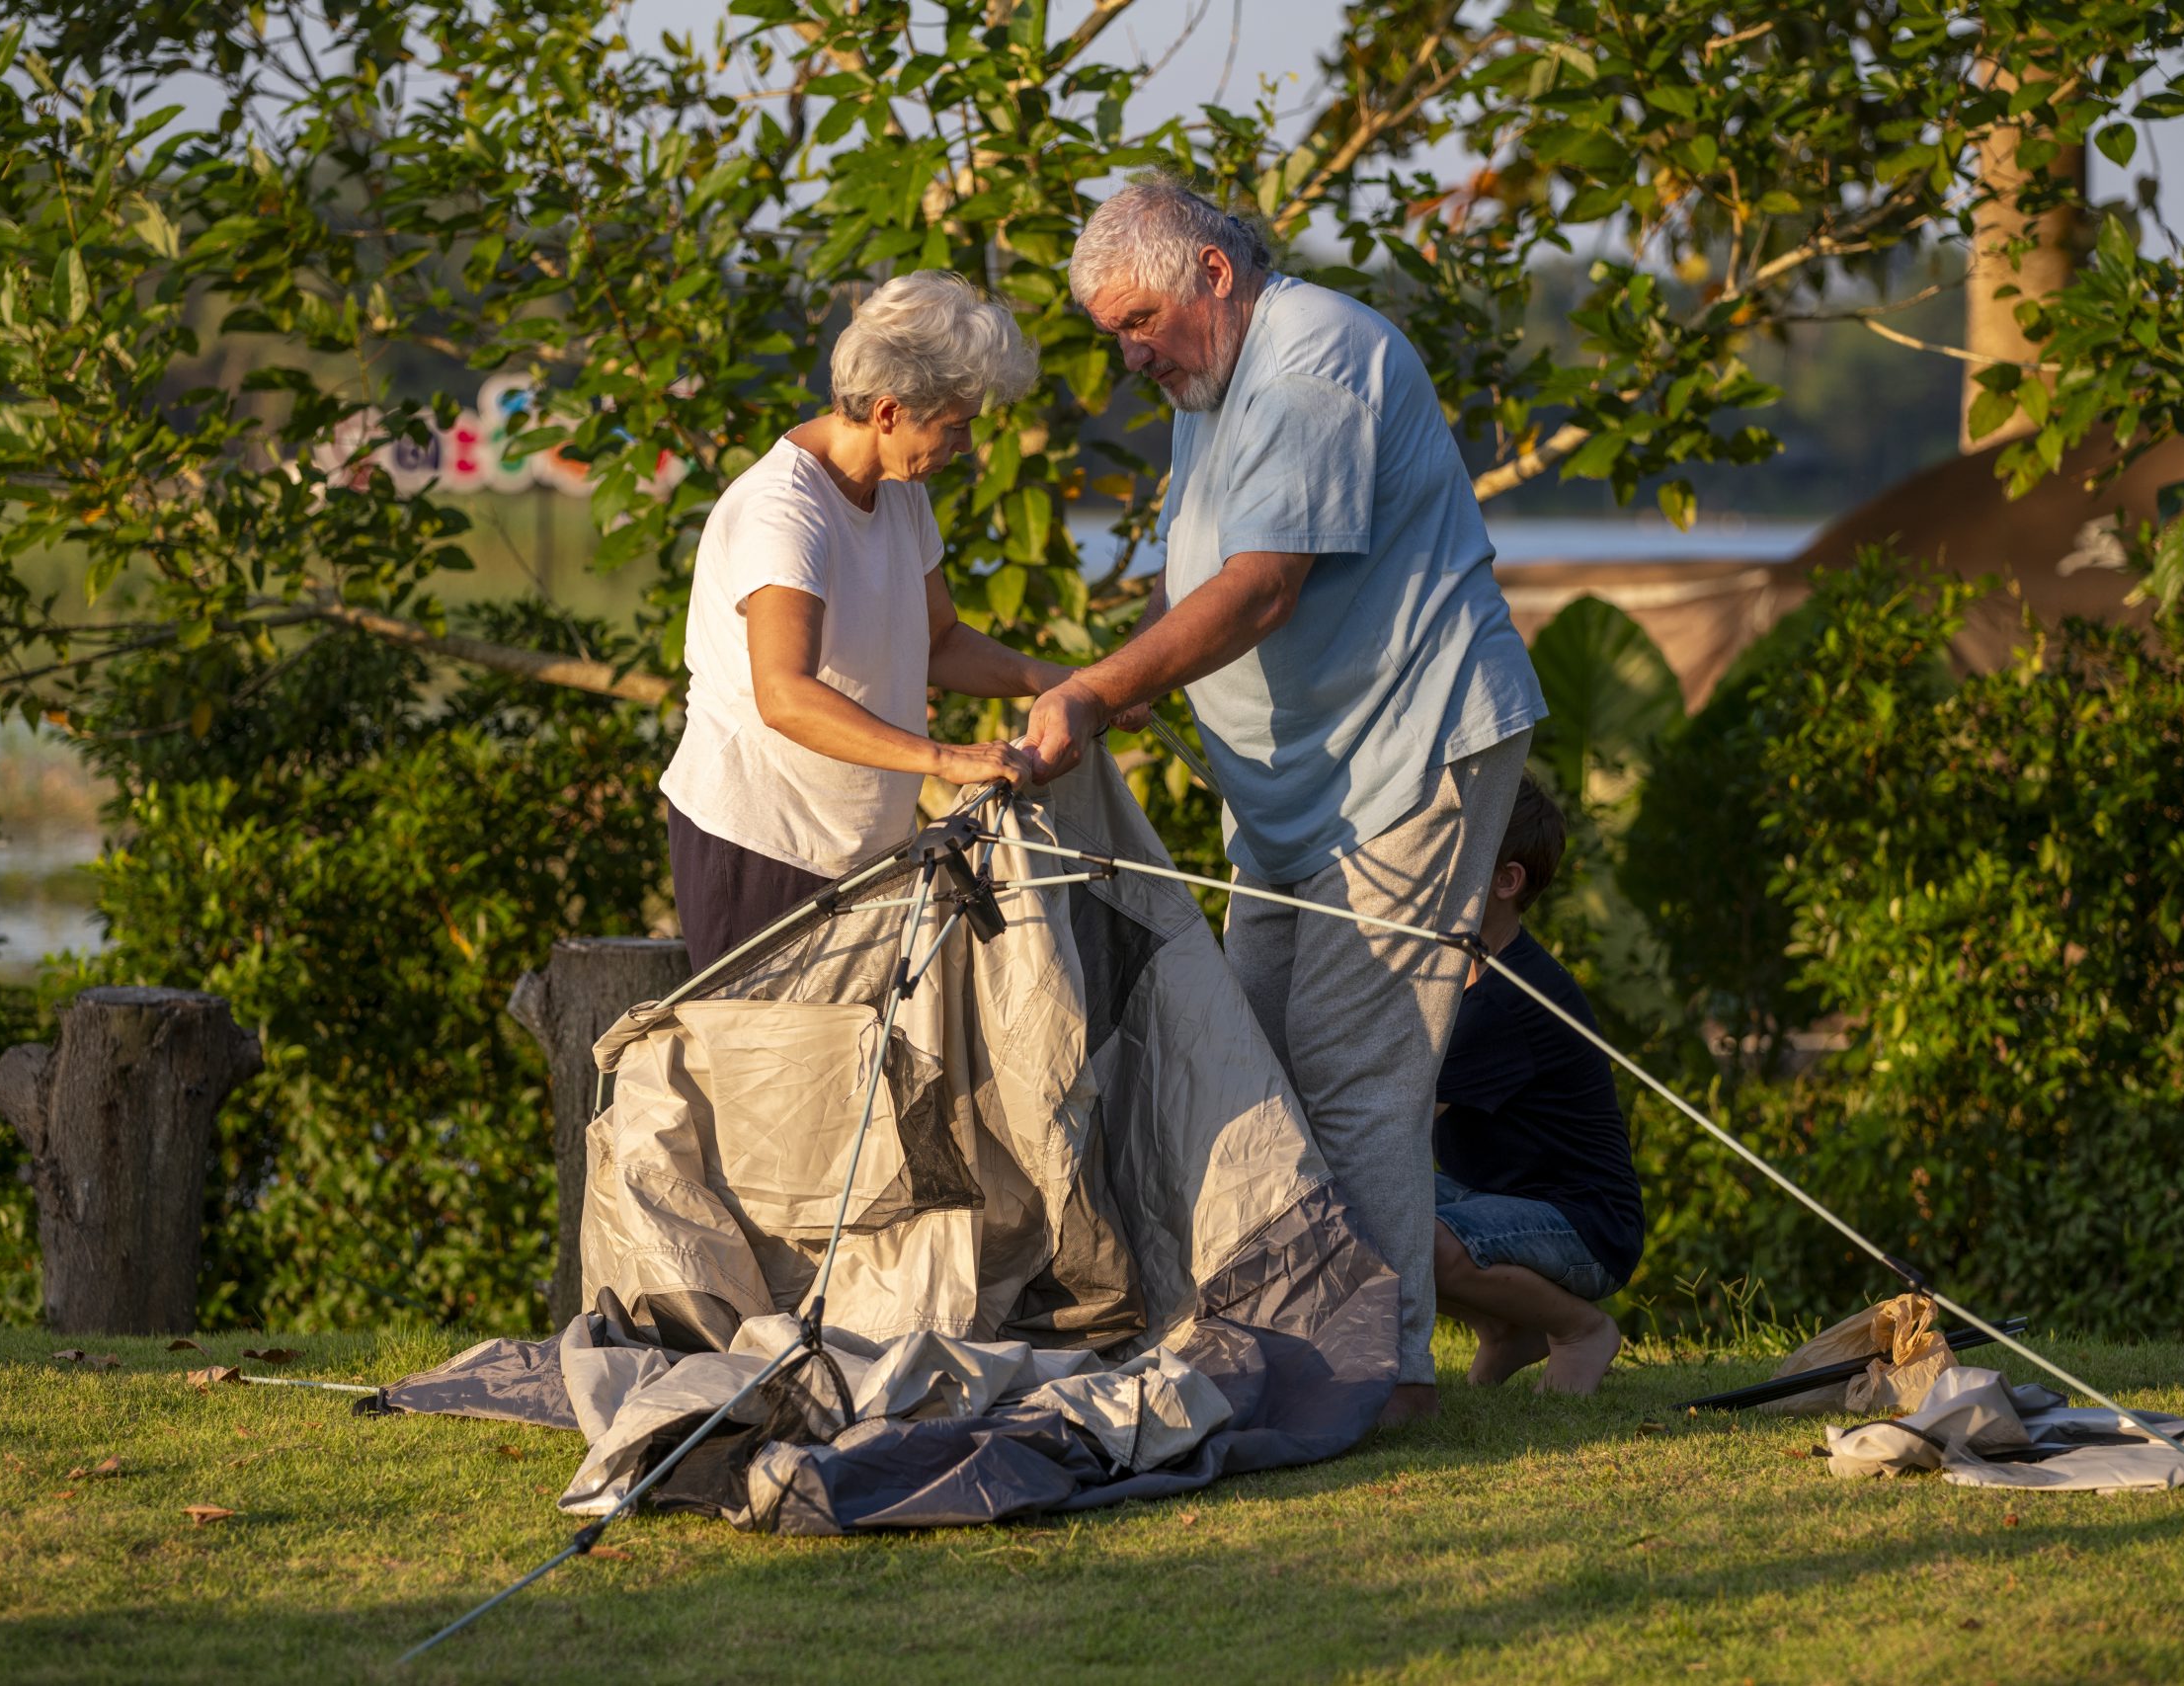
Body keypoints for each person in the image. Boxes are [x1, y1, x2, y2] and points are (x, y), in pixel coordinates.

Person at [1026, 179, 1547, 1422]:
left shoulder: (1313, 361)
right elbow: (1190, 575)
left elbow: (1261, 589)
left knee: (1353, 1068)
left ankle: (1383, 1378)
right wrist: (1098, 685)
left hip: (1406, 757)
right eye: (1113, 335)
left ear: (1213, 273)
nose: (1130, 353)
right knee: (1241, 1049)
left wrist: (1099, 696)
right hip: (1290, 794)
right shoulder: (1208, 384)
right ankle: (1272, 1344)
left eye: (1140, 319)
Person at [661, 271, 1066, 973]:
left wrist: (1064, 682)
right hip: (763, 843)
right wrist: (947, 757)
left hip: (860, 847)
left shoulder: (901, 493)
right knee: (774, 1070)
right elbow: (783, 694)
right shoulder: (784, 511)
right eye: (956, 425)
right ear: (888, 412)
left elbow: (940, 640)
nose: (966, 445)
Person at [1431, 775, 1643, 1396]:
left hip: (1585, 1224)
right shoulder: (1460, 971)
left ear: (1506, 881)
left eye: (1452, 851)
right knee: (1364, 1209)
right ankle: (1508, 1330)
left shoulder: (1506, 1000)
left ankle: (1579, 1330)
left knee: (1405, 1231)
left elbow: (1397, 1119)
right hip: (1499, 1198)